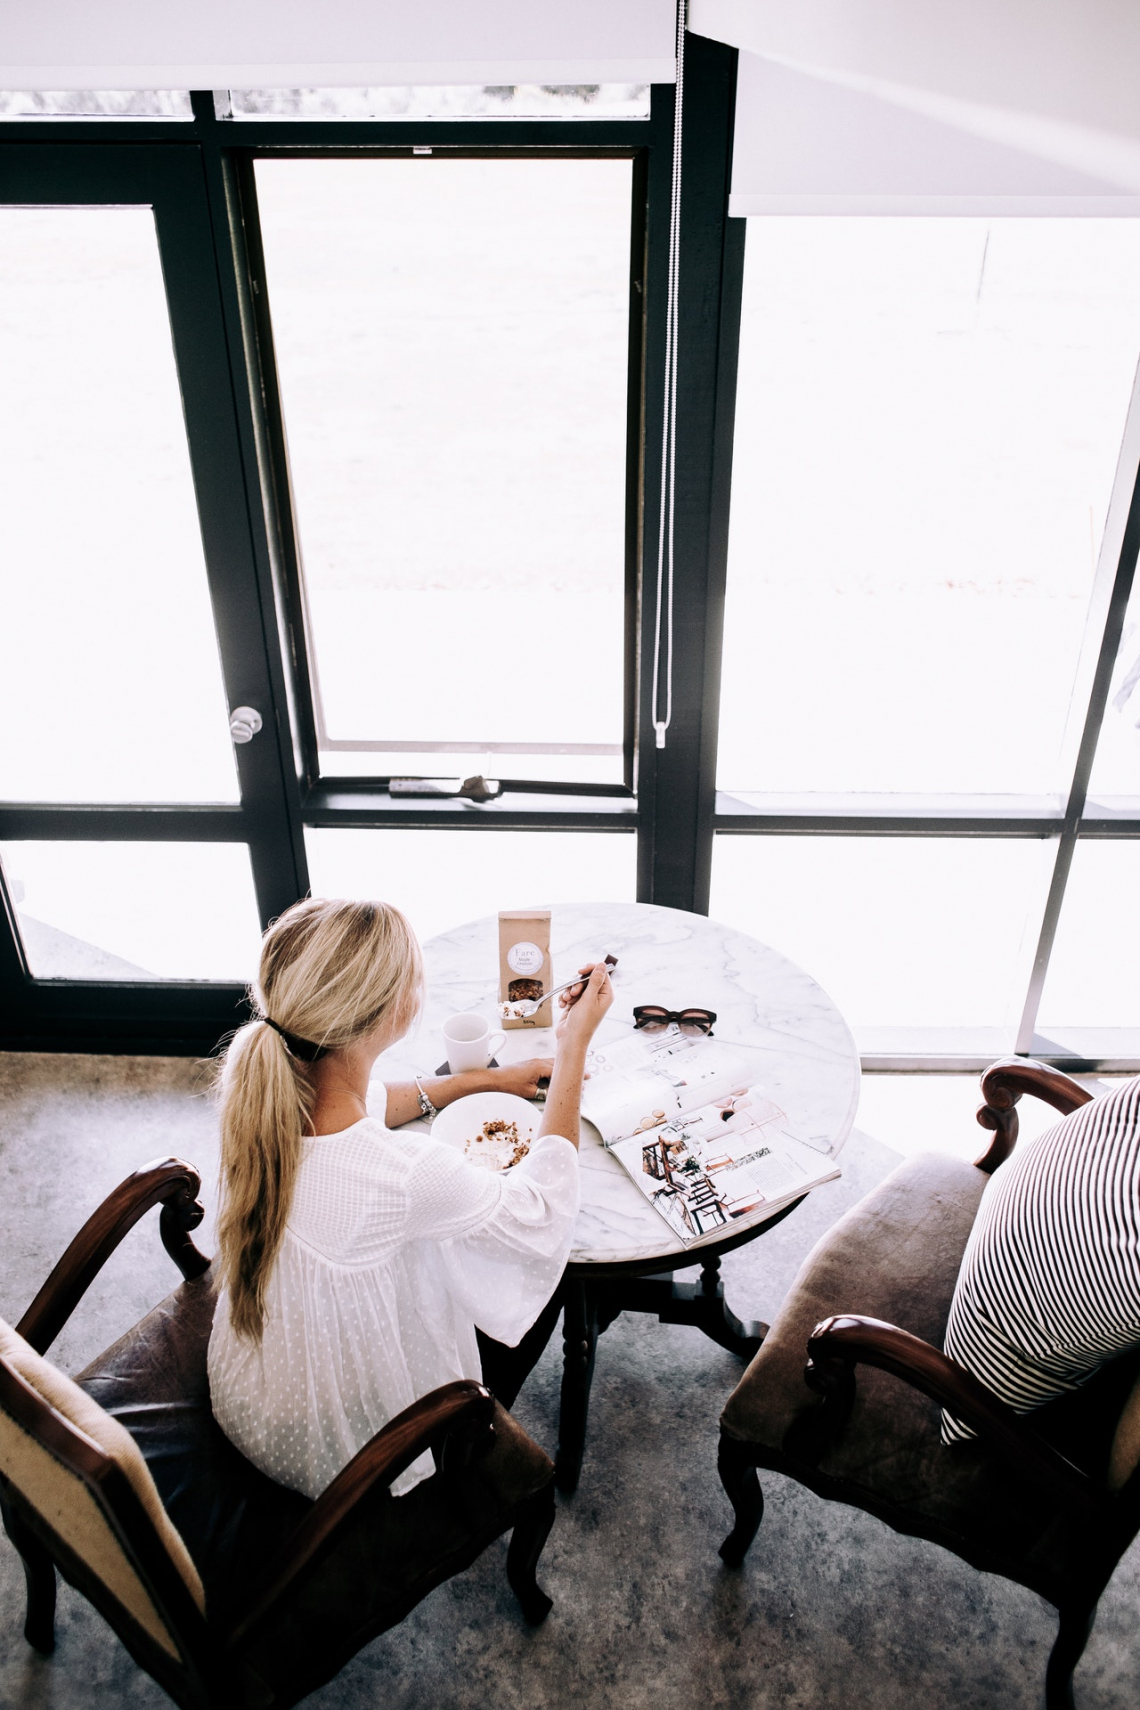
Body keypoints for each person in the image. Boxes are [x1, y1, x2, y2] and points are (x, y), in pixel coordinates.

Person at [207, 896, 612, 1498]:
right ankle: (481, 1439)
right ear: (390, 1013)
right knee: (539, 1279)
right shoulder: (407, 1174)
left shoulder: (269, 1094)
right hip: (334, 1451)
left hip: (250, 1388)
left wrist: (487, 1079)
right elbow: (542, 1215)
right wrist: (573, 1046)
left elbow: (375, 1100)